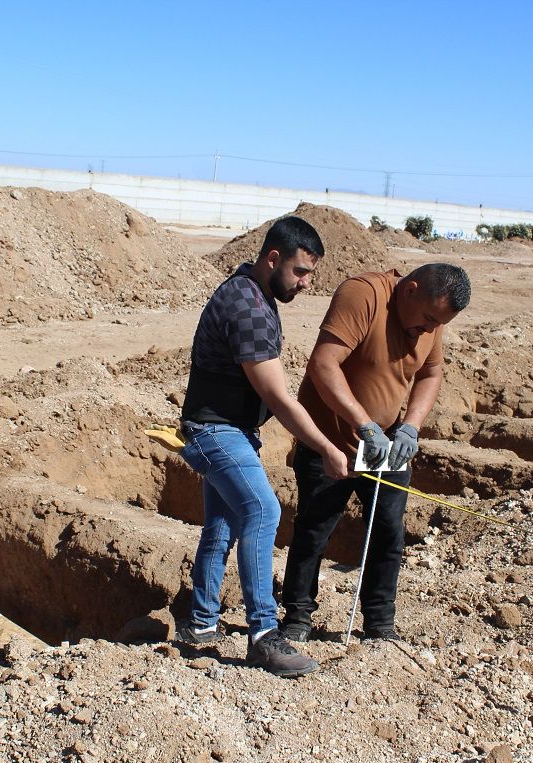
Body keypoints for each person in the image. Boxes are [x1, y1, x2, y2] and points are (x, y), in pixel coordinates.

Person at [177, 216, 349, 678]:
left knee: (221, 525)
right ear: (273, 258)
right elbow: (279, 398)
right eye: (300, 271)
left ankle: (201, 623)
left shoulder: (252, 290)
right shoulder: (249, 307)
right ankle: (263, 635)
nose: (307, 282)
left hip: (226, 428)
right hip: (216, 432)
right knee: (263, 510)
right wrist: (327, 448)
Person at [279, 262, 471, 642]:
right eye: (429, 319)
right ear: (410, 290)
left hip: (386, 443)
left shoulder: (432, 318)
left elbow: (431, 374)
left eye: (438, 324)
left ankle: (380, 623)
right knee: (314, 530)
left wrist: (411, 426)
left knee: (387, 531)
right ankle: (298, 617)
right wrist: (363, 424)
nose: (430, 329)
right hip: (330, 441)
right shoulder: (363, 295)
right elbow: (323, 364)